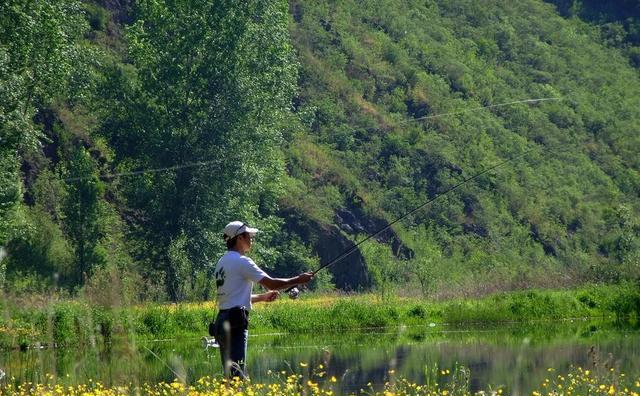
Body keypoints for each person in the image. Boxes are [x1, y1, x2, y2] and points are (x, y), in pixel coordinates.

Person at [212, 221, 314, 378]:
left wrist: (262, 297)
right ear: (239, 238)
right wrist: (299, 279)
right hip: (235, 322)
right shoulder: (242, 261)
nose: (252, 239)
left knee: (229, 375)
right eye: (249, 236)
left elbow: (234, 298)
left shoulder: (221, 262)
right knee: (237, 375)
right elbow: (271, 283)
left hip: (221, 321)